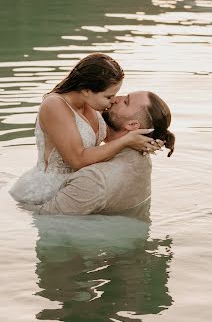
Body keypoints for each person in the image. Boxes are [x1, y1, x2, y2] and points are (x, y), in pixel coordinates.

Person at [9, 54, 160, 205]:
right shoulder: (55, 106)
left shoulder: (91, 103)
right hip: (47, 193)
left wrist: (146, 140)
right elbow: (78, 160)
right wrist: (126, 141)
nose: (114, 100)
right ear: (87, 90)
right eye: (109, 96)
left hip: (82, 186)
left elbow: (111, 138)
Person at [32, 90, 175, 216]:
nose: (114, 99)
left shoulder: (94, 179)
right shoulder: (143, 160)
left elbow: (44, 217)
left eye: (125, 101)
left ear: (132, 125)